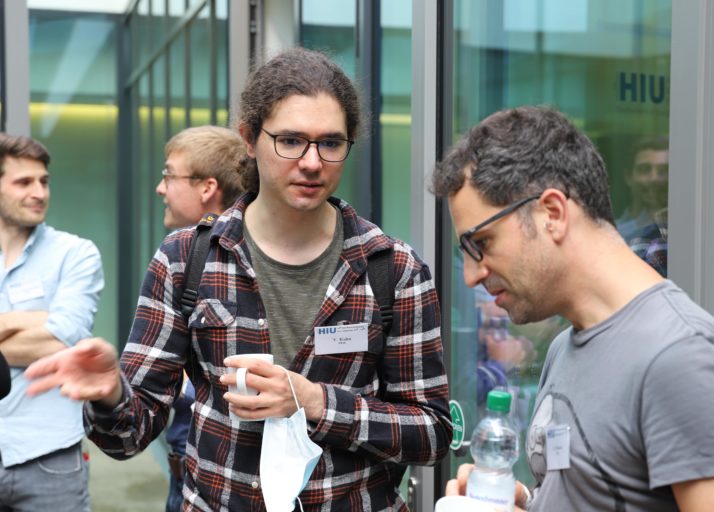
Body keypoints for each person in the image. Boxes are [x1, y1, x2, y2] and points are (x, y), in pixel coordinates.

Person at [26, 47, 452, 511]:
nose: (312, 162)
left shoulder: (393, 269)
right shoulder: (187, 258)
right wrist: (111, 394)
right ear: (249, 138)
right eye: (290, 140)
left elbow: (432, 434)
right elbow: (129, 436)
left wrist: (314, 401)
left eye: (330, 143)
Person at [431, 106, 714, 511]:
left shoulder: (682, 357)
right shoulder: (565, 346)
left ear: (552, 213)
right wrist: (523, 503)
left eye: (481, 243)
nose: (471, 275)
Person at [0, 133, 104, 511]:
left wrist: (53, 332)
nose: (39, 192)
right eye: (24, 182)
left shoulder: (76, 254)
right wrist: (38, 319)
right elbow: (51, 333)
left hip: (49, 456)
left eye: (44, 181)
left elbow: (63, 342)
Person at [156, 125, 247, 512]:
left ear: (208, 187)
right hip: (187, 475)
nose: (160, 188)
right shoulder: (183, 255)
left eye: (169, 175)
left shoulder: (239, 268)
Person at [616, 137, 669, 276]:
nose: (654, 178)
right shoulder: (613, 233)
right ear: (628, 177)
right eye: (645, 169)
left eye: (664, 170)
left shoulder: (685, 232)